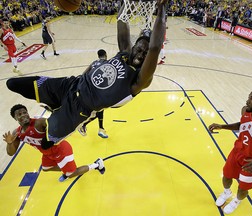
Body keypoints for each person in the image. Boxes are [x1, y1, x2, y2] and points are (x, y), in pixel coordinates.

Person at [6, 0, 167, 149]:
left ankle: (47, 119)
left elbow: (154, 48)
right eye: (139, 49)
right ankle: (53, 105)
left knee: (46, 144)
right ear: (134, 46)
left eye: (145, 54)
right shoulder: (125, 51)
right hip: (70, 85)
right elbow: (122, 19)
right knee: (12, 84)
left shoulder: (140, 80)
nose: (141, 54)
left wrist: (161, 11)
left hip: (79, 109)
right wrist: (126, 2)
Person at [3, 104, 105, 182]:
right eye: (19, 114)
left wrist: (55, 113)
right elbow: (11, 153)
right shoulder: (16, 133)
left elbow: (58, 124)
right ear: (15, 118)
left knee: (71, 174)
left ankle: (96, 164)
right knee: (46, 168)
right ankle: (66, 168)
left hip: (60, 150)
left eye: (25, 112)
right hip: (47, 153)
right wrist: (9, 143)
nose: (24, 115)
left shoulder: (40, 123)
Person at [78, 49, 108, 138]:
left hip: (89, 90)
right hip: (98, 91)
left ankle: (101, 129)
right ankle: (84, 125)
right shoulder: (107, 64)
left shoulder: (94, 63)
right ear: (106, 55)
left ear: (98, 56)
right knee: (98, 110)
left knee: (100, 110)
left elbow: (83, 74)